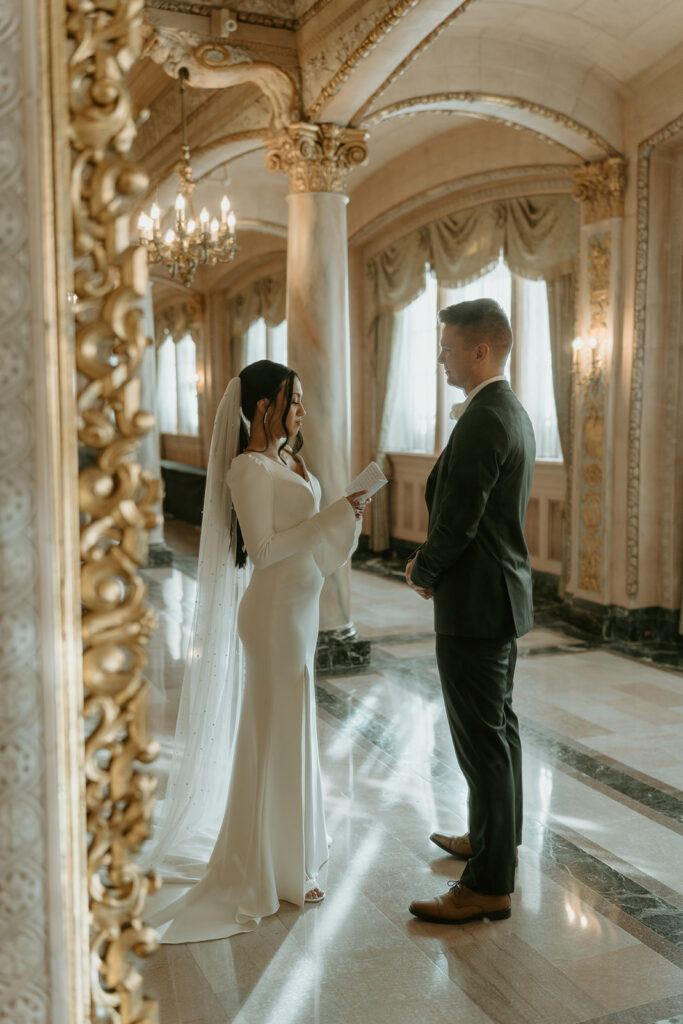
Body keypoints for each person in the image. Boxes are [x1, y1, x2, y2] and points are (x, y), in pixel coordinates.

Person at [145, 359, 367, 942]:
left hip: (299, 609)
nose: (301, 411)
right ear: (264, 405)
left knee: (293, 729)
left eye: (301, 401)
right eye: (293, 400)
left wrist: (344, 518)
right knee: (273, 732)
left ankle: (293, 856)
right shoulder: (247, 468)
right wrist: (329, 518)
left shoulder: (289, 461)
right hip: (270, 616)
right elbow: (265, 551)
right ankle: (264, 868)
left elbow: (314, 538)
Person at [406, 298, 535, 925]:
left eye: (448, 347)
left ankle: (488, 885)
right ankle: (492, 842)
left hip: (476, 605)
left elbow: (460, 519)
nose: (440, 357)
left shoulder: (487, 417)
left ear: (479, 350)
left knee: (482, 743)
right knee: (497, 736)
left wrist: (422, 571)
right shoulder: (506, 408)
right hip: (494, 598)